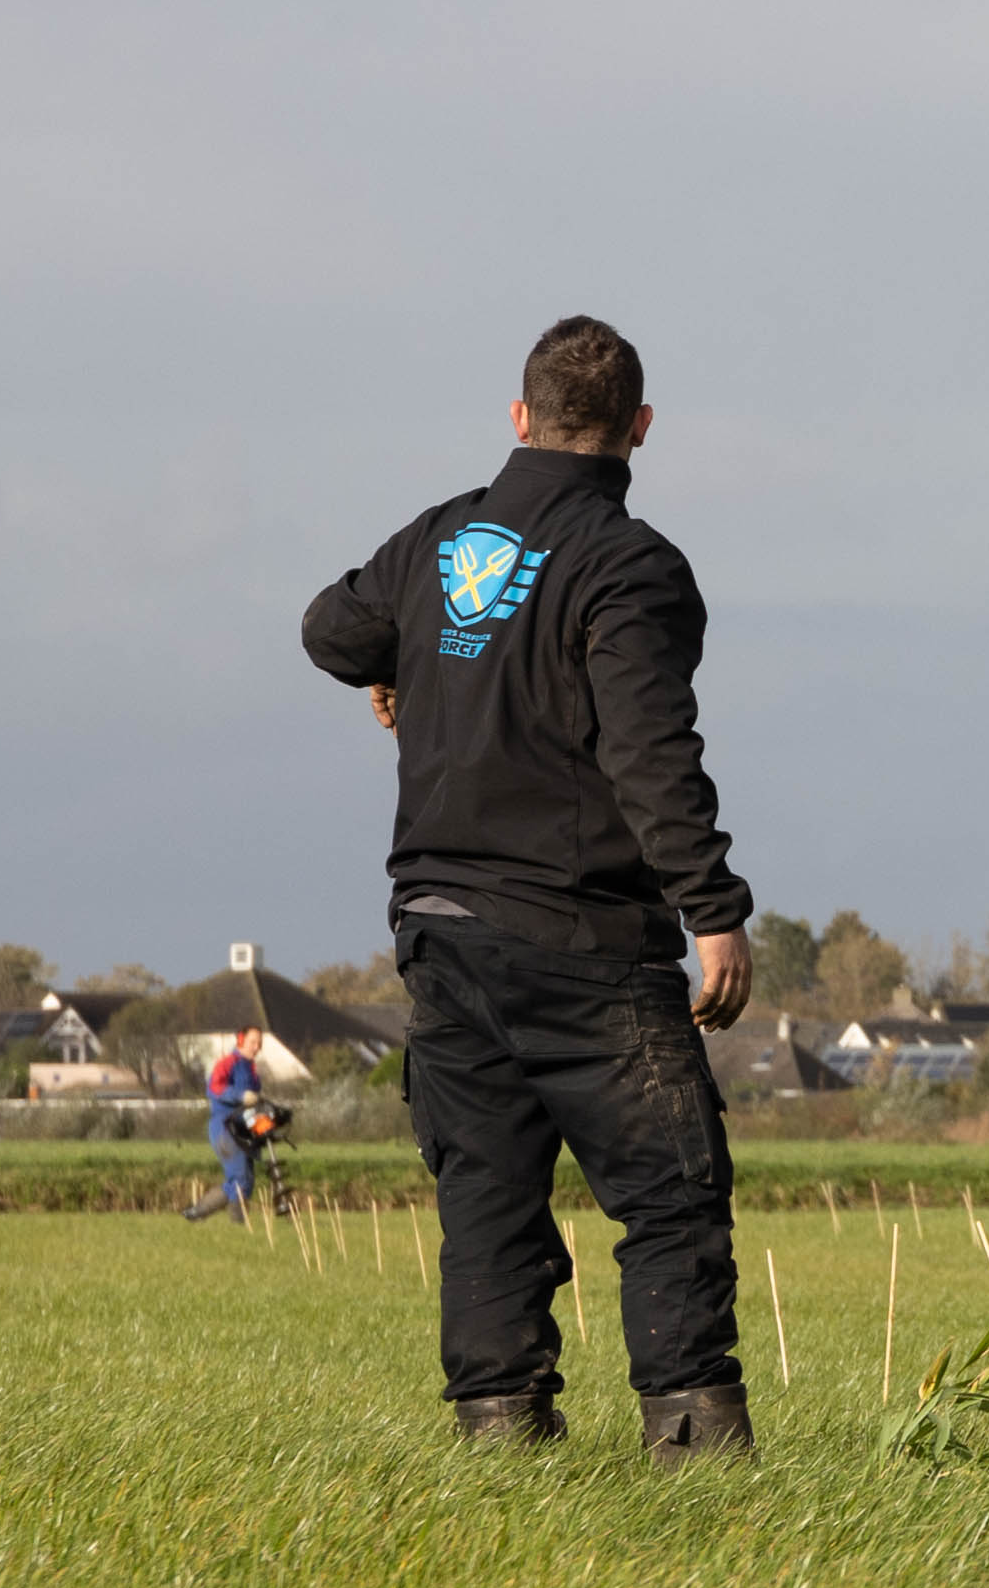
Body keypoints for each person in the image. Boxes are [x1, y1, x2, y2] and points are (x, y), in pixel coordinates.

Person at [300, 314, 766, 1452]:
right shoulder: (630, 566)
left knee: (488, 1204)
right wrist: (713, 912)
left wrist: (408, 658)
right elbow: (651, 752)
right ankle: (696, 1454)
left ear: (520, 417)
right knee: (670, 1194)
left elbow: (327, 628)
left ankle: (501, 1443)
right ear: (639, 428)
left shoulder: (439, 540)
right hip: (583, 937)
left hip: (443, 935)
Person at [192, 1035, 269, 1220]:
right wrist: (240, 1096)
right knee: (240, 1180)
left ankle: (196, 1213)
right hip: (225, 1128)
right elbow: (214, 1088)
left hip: (243, 1128)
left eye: (260, 1043)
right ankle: (237, 1224)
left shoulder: (252, 1071)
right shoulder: (228, 1062)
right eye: (253, 1042)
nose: (257, 1047)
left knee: (246, 1181)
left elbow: (253, 1106)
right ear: (240, 1041)